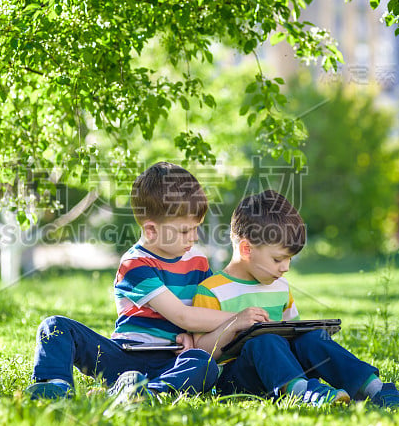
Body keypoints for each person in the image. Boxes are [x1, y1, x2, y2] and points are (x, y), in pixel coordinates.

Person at [25, 162, 268, 401]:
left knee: (204, 366)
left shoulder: (198, 262)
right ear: (151, 230)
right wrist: (237, 318)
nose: (193, 237)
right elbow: (183, 315)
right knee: (54, 326)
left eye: (197, 228)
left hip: (170, 361)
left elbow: (208, 310)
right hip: (123, 356)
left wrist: (195, 338)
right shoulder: (135, 264)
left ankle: (146, 392)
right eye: (185, 231)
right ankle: (55, 385)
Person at [193, 190, 399, 408]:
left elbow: (295, 336)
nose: (285, 268)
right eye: (278, 259)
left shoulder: (280, 287)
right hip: (238, 378)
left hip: (282, 371)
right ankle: (302, 392)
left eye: (289, 260)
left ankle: (374, 388)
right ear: (247, 249)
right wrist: (235, 323)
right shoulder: (212, 290)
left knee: (313, 339)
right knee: (264, 340)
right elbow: (200, 354)